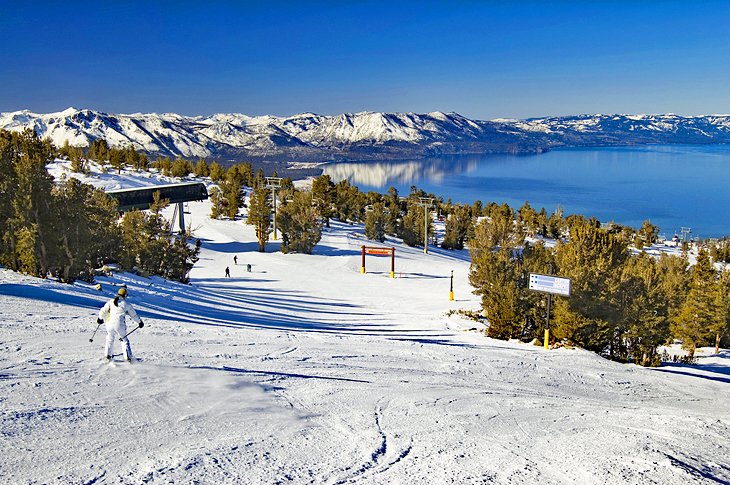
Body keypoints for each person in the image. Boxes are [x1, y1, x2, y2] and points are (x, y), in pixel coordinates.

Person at [97, 287, 143, 362]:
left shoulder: (111, 302)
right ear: (125, 295)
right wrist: (140, 322)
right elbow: (134, 315)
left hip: (109, 324)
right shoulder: (127, 304)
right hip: (120, 325)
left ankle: (108, 355)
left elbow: (103, 310)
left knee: (109, 338)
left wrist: (100, 318)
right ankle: (128, 357)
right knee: (124, 340)